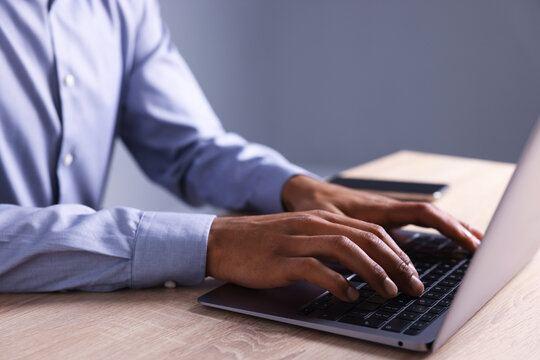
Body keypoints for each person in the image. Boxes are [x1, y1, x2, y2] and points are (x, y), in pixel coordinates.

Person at [0, 0, 482, 302]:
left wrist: (296, 190)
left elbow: (190, 146)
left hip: (69, 312)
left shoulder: (122, 7)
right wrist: (212, 242)